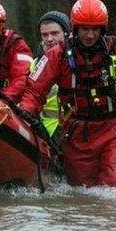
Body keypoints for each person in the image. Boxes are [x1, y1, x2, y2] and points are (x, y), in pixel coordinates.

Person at [20, 0, 116, 187]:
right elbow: (34, 92)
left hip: (114, 129)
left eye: (95, 29)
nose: (89, 35)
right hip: (77, 133)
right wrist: (25, 117)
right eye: (85, 29)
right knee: (82, 194)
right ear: (75, 28)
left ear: (102, 29)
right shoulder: (57, 56)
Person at [32, 11, 71, 143]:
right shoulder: (35, 65)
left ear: (66, 33)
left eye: (54, 33)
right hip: (43, 130)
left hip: (73, 127)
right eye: (45, 35)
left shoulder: (77, 61)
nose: (49, 39)